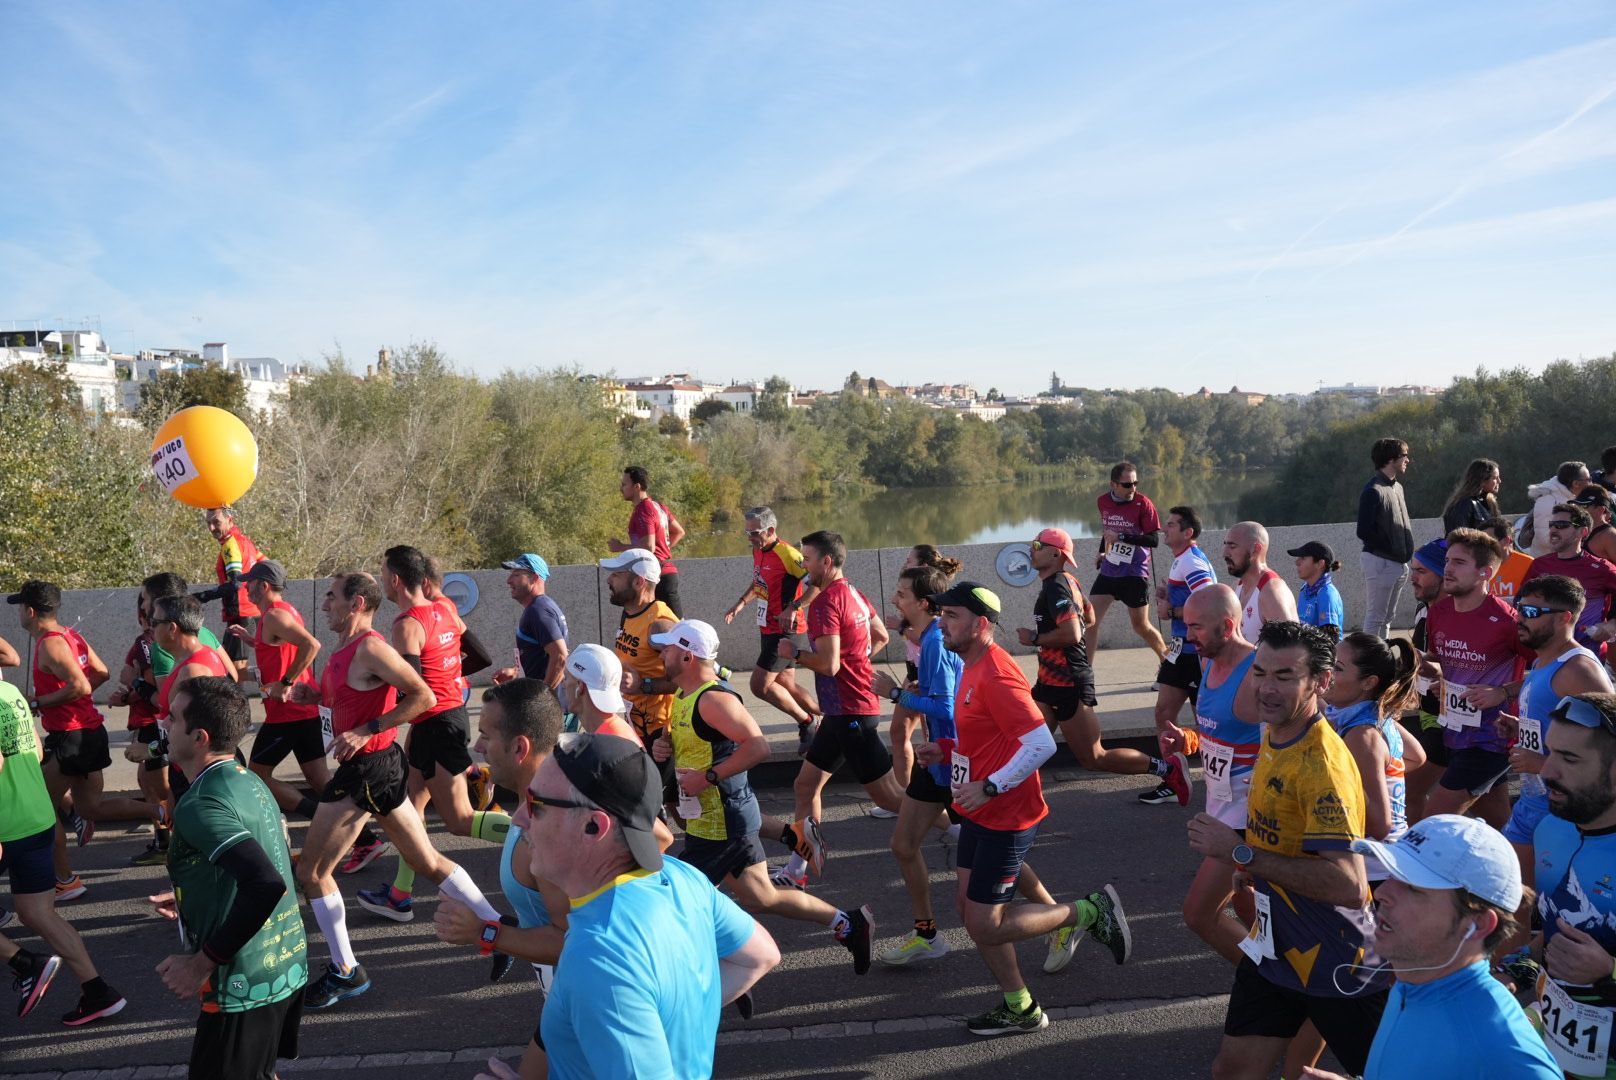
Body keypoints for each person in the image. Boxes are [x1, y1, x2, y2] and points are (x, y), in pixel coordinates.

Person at [916, 580, 1131, 1035]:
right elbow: (991, 735)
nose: (941, 623)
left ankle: (1088, 912)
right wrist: (947, 747)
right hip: (980, 811)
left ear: (980, 624)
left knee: (987, 924)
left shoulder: (995, 673)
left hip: (1006, 815)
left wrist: (991, 786)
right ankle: (1020, 1006)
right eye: (941, 614)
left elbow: (1038, 743)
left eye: (951, 616)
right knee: (971, 913)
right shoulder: (969, 665)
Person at [289, 572, 503, 1009]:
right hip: (380, 769)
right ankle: (500, 928)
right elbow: (349, 700)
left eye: (332, 597)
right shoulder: (345, 651)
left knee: (312, 873)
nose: (324, 604)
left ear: (356, 604)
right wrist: (312, 696)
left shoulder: (372, 647)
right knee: (425, 861)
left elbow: (422, 695)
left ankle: (345, 970)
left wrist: (366, 730)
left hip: (365, 771)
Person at [1188, 621, 1390, 1078]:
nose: (1266, 688)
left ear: (1321, 682)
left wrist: (1241, 854)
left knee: (1390, 1072)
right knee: (1232, 1072)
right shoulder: (1275, 732)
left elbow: (1351, 886)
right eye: (1259, 672)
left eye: (1284, 676)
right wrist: (1258, 868)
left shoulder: (1322, 766)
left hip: (1340, 965)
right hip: (1274, 948)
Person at [526, 731, 780, 1078]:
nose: (518, 820)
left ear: (592, 826)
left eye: (534, 805)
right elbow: (761, 955)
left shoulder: (599, 955)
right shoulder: (681, 876)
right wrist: (667, 1016)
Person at [651, 619, 875, 974]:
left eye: (667, 648)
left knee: (677, 902)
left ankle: (723, 971)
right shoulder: (683, 694)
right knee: (761, 897)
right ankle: (847, 922)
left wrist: (708, 778)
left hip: (721, 824)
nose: (661, 653)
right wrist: (665, 746)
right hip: (712, 818)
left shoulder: (713, 699)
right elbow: (699, 743)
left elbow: (758, 746)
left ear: (688, 657)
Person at [1300, 815, 1560, 1080]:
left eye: (1413, 887)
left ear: (1478, 924)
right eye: (1391, 874)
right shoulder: (1414, 981)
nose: (1380, 893)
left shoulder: (1501, 1048)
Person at [157, 676, 307, 1080]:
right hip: (285, 962)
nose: (164, 725)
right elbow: (266, 862)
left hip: (243, 980)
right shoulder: (247, 778)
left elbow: (265, 882)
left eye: (172, 719)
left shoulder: (200, 803)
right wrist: (194, 897)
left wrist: (201, 962)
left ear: (200, 736)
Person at [359, 545, 506, 922]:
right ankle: (399, 895)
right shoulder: (444, 609)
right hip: (436, 721)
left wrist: (372, 719)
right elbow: (480, 656)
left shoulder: (406, 624)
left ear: (395, 579)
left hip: (438, 723)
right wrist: (448, 675)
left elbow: (409, 687)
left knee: (459, 819)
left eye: (383, 572)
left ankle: (542, 837)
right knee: (413, 806)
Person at [435, 679, 568, 1080]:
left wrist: (486, 933)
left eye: (486, 735)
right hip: (564, 1002)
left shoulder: (547, 831)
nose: (478, 747)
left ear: (520, 747)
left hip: (588, 1002)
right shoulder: (545, 794)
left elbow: (572, 942)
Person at [8, 581, 165, 883]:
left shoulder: (51, 643)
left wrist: (40, 702)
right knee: (90, 808)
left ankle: (64, 881)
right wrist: (65, 701)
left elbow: (80, 684)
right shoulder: (70, 634)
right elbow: (100, 673)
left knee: (41, 808)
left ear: (30, 611)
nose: (19, 614)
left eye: (19, 608)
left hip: (73, 736)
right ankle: (158, 812)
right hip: (88, 731)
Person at [1019, 527, 1188, 801]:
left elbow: (1074, 633)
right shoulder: (1068, 581)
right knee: (1029, 746)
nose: (1031, 549)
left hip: (1068, 684)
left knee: (1095, 758)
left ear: (1055, 553)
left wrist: (1035, 638)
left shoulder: (1058, 586)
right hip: (1048, 683)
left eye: (1037, 545)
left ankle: (1167, 769)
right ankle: (1006, 801)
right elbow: (1090, 618)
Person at [0, 674, 127, 1026]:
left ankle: (25, 963)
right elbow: (38, 751)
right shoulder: (10, 692)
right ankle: (99, 992)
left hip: (5, 822)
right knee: (36, 912)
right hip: (38, 815)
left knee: (35, 913)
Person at [774, 531, 899, 885]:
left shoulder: (826, 603)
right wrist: (857, 664)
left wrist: (794, 653)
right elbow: (881, 636)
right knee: (805, 786)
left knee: (891, 798)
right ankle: (798, 869)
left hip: (851, 713)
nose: (803, 566)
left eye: (808, 559)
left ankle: (958, 830)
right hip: (842, 710)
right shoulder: (855, 593)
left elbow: (828, 665)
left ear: (826, 561)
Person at [1166, 586, 1261, 963]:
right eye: (1187, 626)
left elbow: (1287, 742)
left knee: (1199, 914)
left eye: (1197, 628)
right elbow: (1219, 734)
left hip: (1248, 817)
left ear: (1227, 625)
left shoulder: (1257, 673)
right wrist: (1188, 742)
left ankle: (1267, 986)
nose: (1189, 637)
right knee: (1252, 912)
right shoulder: (1208, 663)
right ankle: (1282, 978)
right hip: (1221, 807)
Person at [1499, 576, 1612, 884]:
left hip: (1563, 812)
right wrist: (1521, 729)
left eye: (1532, 612)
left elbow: (1607, 745)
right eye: (1519, 609)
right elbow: (1569, 729)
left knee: (1541, 904)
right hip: (1534, 801)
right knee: (1515, 900)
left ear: (1565, 617)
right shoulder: (1543, 664)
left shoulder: (1578, 670)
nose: (1521, 618)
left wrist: (1540, 764)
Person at [1530, 692, 1616, 1079]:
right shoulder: (1550, 829)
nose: (1547, 770)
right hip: (1557, 1047)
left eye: (1569, 758)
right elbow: (1549, 932)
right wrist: (1514, 966)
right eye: (1550, 752)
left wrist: (1608, 973)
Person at [1422, 528, 1528, 821]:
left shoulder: (1507, 620)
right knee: (1497, 823)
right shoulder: (1439, 612)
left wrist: (1502, 692)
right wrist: (1433, 676)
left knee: (1435, 816)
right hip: (1454, 732)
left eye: (1459, 563)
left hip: (1491, 739)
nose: (1447, 569)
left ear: (1485, 573)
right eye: (1447, 560)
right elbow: (1445, 663)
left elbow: (1548, 670)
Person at [1324, 634, 1427, 874]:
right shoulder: (1376, 715)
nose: (1326, 673)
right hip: (1389, 860)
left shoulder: (1362, 735)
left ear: (1368, 683)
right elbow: (1416, 757)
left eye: (1337, 668)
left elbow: (1380, 825)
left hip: (1376, 869)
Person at [233, 560, 328, 822]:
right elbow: (283, 650)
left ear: (263, 586)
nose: (246, 589)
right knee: (319, 780)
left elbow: (311, 645)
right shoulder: (280, 613)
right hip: (300, 711)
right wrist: (254, 642)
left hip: (287, 714)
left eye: (249, 583)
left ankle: (320, 816)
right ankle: (364, 838)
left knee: (256, 776)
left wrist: (285, 683)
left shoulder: (275, 616)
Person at [721, 507, 820, 757]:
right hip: (767, 626)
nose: (749, 538)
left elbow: (817, 585)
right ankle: (828, 719)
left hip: (786, 630)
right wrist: (740, 604)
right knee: (786, 683)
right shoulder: (759, 550)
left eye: (754, 532)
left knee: (759, 686)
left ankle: (807, 722)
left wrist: (793, 607)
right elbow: (759, 584)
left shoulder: (788, 553)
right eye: (747, 532)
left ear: (771, 530)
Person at [1143, 505, 1218, 805]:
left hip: (1196, 653)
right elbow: (1191, 598)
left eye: (1172, 525)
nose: (1165, 529)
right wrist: (1169, 598)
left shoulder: (1192, 561)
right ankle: (1174, 779)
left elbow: (1210, 601)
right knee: (1163, 713)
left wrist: (1172, 610)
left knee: (1207, 720)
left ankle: (1218, 780)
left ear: (1188, 533)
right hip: (1178, 651)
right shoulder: (1179, 561)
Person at [600, 548, 680, 797]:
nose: (609, 580)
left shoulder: (660, 625)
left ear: (639, 581)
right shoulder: (630, 613)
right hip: (633, 724)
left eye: (616, 575)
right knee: (670, 804)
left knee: (652, 804)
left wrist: (643, 684)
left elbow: (687, 680)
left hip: (660, 732)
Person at [1086, 462, 1168, 661]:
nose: (1133, 488)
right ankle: (1084, 673)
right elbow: (1108, 531)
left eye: (1135, 483)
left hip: (1134, 573)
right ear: (1113, 484)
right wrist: (1101, 552)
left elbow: (1153, 540)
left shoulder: (1144, 503)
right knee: (1089, 622)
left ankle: (1168, 666)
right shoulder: (1103, 501)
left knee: (1141, 626)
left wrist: (1121, 537)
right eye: (1127, 484)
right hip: (1109, 570)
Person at [1521, 502, 1616, 661]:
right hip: (1544, 657)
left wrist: (1612, 625)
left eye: (1562, 525)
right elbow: (1521, 603)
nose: (1553, 530)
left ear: (1582, 532)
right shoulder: (1539, 565)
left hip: (1586, 657)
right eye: (1552, 525)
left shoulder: (1601, 569)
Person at [607, 465, 685, 616]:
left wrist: (621, 547)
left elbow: (648, 548)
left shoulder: (643, 510)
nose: (621, 488)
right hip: (664, 574)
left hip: (656, 580)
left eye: (624, 484)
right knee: (670, 628)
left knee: (675, 633)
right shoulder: (658, 506)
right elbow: (679, 532)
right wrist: (663, 552)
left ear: (636, 487)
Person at [1356, 436, 1414, 639]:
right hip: (1380, 561)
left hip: (1398, 563)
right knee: (1375, 617)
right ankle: (1367, 663)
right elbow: (1363, 531)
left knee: (1388, 617)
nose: (1408, 460)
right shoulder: (1373, 491)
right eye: (1405, 456)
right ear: (1391, 458)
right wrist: (1391, 549)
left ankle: (1383, 658)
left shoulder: (1397, 488)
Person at [196, 506, 263, 679]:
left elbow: (235, 584)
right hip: (250, 610)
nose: (211, 528)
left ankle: (269, 675)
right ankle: (269, 675)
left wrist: (201, 597)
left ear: (230, 520)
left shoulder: (230, 545)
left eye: (216, 522)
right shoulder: (245, 541)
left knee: (235, 671)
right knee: (230, 668)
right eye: (208, 523)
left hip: (240, 612)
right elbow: (267, 566)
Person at [492, 554, 568, 690]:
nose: (508, 581)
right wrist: (516, 673)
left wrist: (543, 697)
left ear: (534, 578)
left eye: (516, 575)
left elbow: (560, 656)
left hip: (545, 704)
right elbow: (542, 655)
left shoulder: (538, 610)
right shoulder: (541, 607)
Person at [1224, 521, 1298, 642]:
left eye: (1232, 546)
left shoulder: (1272, 591)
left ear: (1255, 549)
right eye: (1225, 545)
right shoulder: (1237, 586)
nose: (1225, 554)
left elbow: (1290, 646)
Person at [1524, 460, 1592, 558]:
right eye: (1589, 479)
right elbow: (1545, 538)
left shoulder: (1571, 498)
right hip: (1547, 563)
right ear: (1576, 484)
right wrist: (1577, 539)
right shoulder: (1548, 500)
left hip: (1563, 558)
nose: (1592, 483)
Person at [1291, 541, 1345, 641]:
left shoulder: (1327, 594)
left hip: (1321, 655)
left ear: (1320, 564)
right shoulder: (1304, 590)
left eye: (1303, 558)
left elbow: (1330, 638)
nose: (1297, 562)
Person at [1442, 457, 1503, 535]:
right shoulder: (1464, 504)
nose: (1499, 481)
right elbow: (1458, 537)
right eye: (1495, 478)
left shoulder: (1489, 503)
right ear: (1482, 480)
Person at [1483, 515, 1535, 600]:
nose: (1483, 546)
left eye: (1489, 541)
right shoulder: (1477, 566)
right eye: (1481, 541)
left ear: (1506, 541)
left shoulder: (1529, 564)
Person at [1574, 484, 1616, 564]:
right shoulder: (1579, 530)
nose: (1578, 509)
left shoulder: (1609, 536)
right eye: (1577, 505)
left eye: (1584, 506)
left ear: (1600, 509)